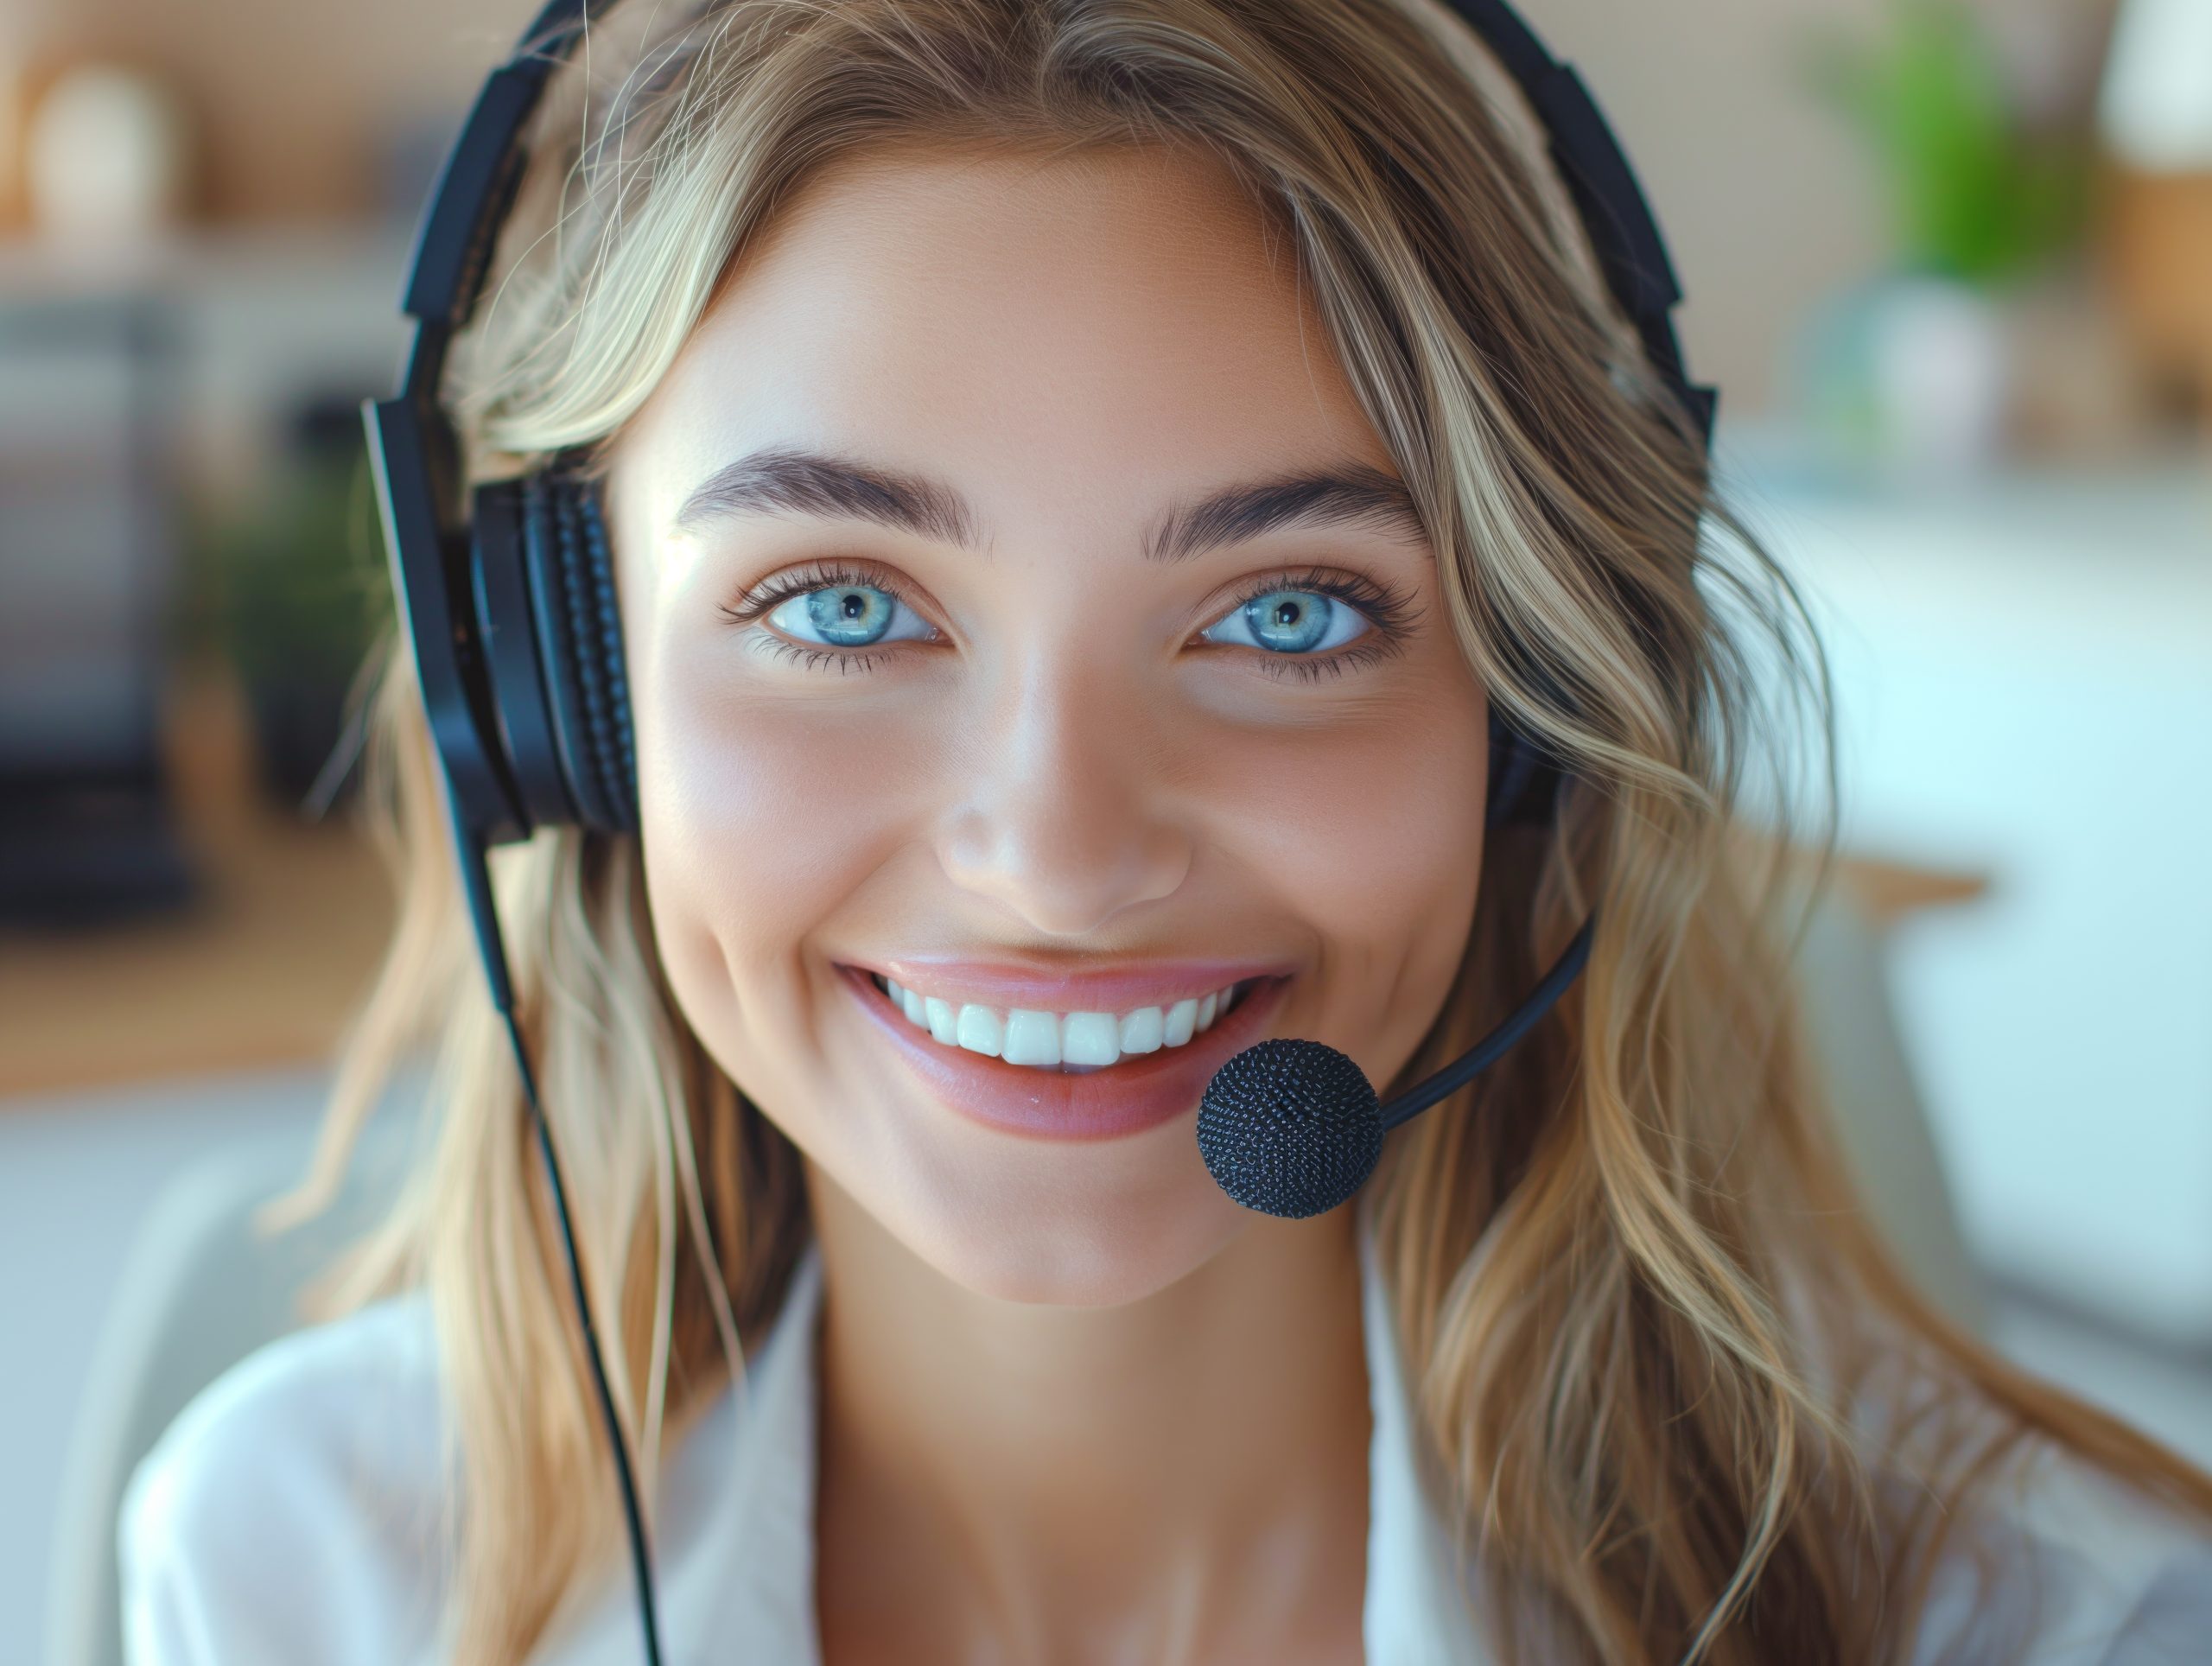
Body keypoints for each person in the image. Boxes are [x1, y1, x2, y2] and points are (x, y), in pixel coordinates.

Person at [119, 1, 2212, 1662]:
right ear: (557, 696)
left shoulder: (2037, 1619)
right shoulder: (304, 1580)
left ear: (1541, 717)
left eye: (1286, 613)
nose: (1055, 854)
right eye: (839, 604)